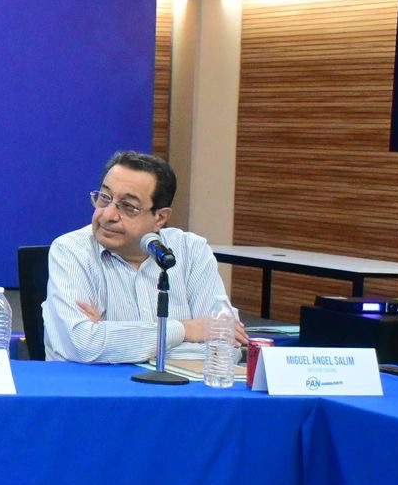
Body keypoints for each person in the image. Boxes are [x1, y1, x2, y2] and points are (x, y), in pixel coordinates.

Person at [43, 150, 247, 363]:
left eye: (128, 206)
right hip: (94, 384)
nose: (108, 214)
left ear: (160, 218)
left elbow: (225, 348)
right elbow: (82, 345)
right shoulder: (72, 250)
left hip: (180, 384)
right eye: (104, 198)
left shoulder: (192, 251)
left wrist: (112, 339)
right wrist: (185, 330)